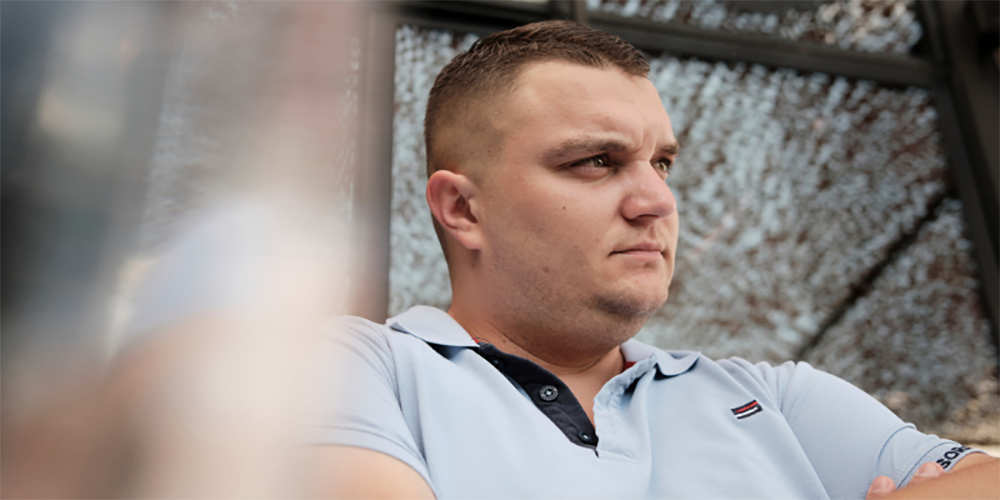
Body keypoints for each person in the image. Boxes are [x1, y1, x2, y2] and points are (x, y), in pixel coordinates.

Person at [310, 20, 999, 499]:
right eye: (596, 161)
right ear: (463, 208)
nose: (657, 201)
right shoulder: (350, 370)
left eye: (661, 163)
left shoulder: (775, 400)